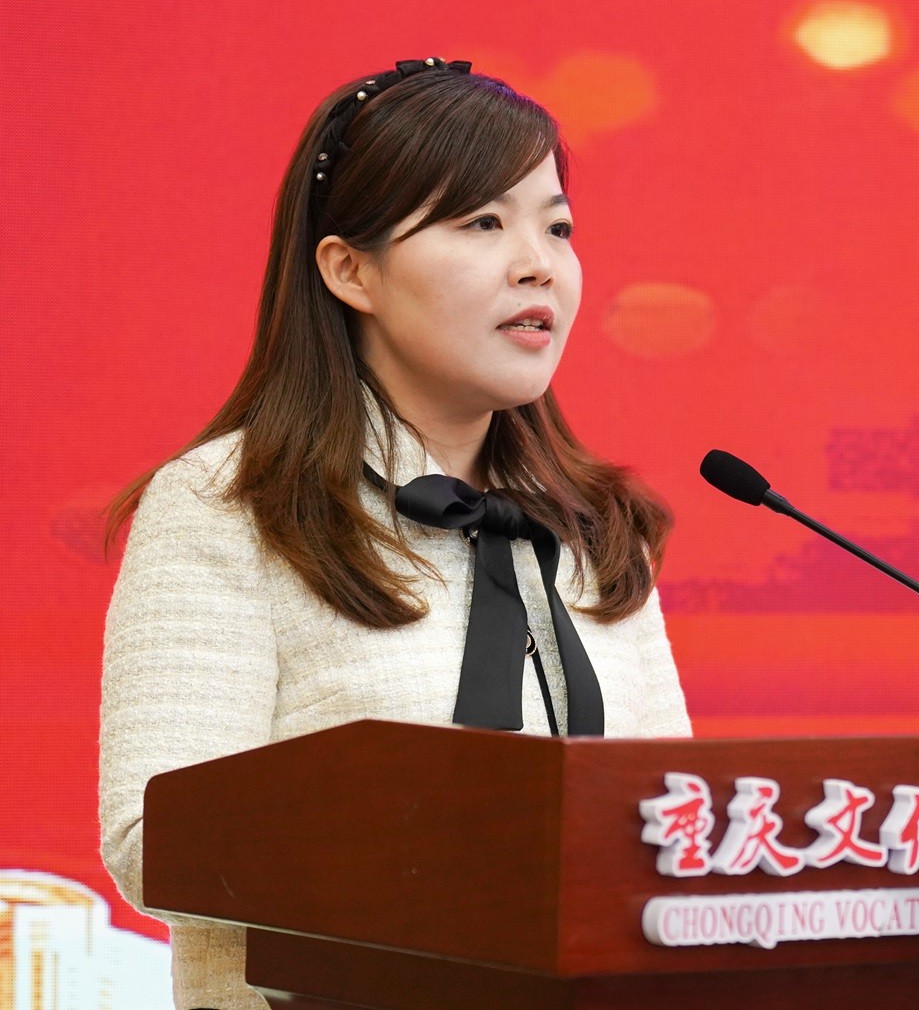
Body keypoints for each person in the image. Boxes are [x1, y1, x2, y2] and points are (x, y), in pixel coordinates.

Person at [99, 58, 692, 1010]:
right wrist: (438, 842)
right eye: (482, 222)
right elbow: (152, 839)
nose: (539, 263)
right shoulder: (230, 501)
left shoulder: (592, 524)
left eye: (557, 227)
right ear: (351, 270)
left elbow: (672, 830)